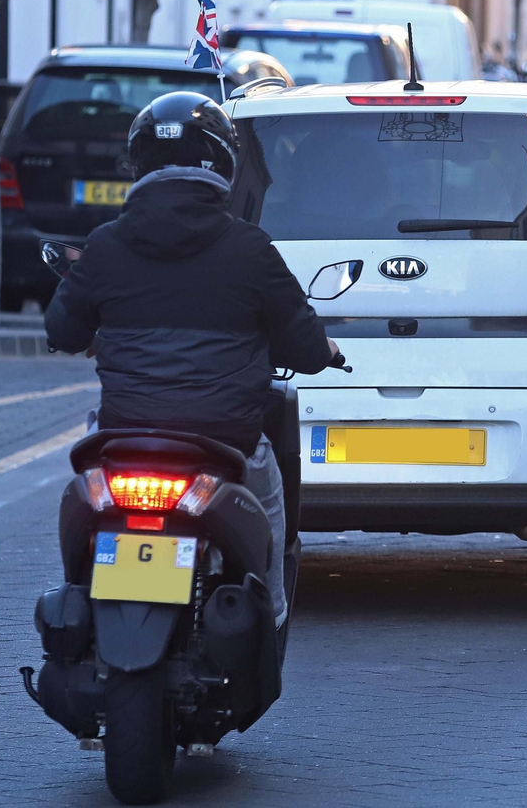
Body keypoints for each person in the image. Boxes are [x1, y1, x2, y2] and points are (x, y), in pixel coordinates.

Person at [44, 92, 337, 625]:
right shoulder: (251, 249)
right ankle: (270, 617)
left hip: (124, 437)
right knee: (270, 501)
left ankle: (80, 598)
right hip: (225, 442)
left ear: (139, 165)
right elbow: (306, 347)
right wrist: (327, 350)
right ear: (223, 164)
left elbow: (62, 330)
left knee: (82, 495)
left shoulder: (105, 245)